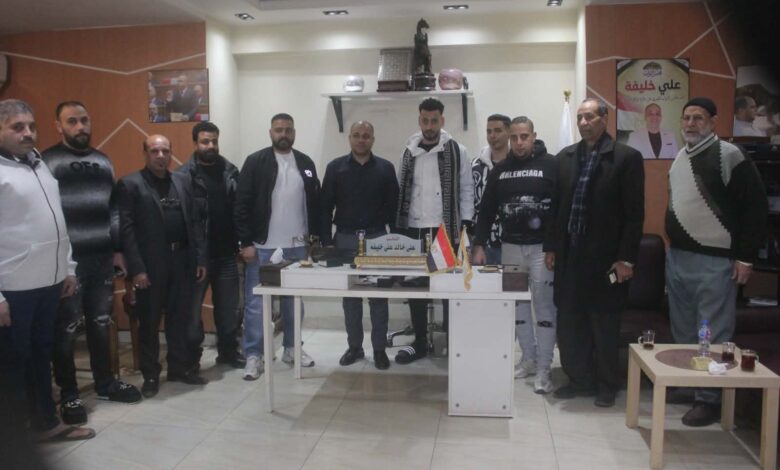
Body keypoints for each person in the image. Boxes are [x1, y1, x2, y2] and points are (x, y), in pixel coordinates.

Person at [666, 97, 767, 426]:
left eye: (698, 118)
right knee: (683, 330)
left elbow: (755, 207)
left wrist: (746, 257)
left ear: (713, 122)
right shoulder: (680, 156)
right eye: (686, 118)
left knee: (711, 332)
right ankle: (688, 384)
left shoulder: (729, 154)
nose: (691, 123)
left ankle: (709, 399)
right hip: (678, 258)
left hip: (715, 261)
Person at [0, 99, 95, 442]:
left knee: (41, 356)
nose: (28, 133)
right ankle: (13, 441)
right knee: (12, 365)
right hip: (13, 289)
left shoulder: (39, 164)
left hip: (49, 282)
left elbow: (57, 221)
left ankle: (45, 424)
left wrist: (67, 267)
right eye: (17, 127)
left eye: (31, 126)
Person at [42, 101, 142, 425]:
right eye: (72, 121)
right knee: (67, 328)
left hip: (101, 257)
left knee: (101, 322)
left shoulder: (102, 161)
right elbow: (45, 213)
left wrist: (117, 250)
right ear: (58, 126)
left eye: (84, 120)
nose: (80, 126)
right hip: (67, 262)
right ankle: (69, 394)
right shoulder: (47, 161)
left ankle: (106, 384)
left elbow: (113, 210)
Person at [547, 98, 645, 408]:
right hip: (570, 257)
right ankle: (580, 380)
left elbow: (634, 214)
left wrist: (626, 259)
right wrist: (551, 247)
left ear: (605, 118)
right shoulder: (565, 158)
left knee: (603, 325)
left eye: (589, 116)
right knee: (570, 323)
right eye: (580, 117)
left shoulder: (626, 158)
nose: (583, 123)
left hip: (606, 259)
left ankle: (607, 385)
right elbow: (556, 209)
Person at [118, 134, 208, 398]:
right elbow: (126, 231)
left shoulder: (182, 181)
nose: (160, 156)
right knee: (149, 322)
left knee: (179, 320)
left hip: (182, 260)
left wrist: (199, 259)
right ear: (145, 153)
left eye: (165, 151)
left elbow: (194, 222)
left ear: (171, 153)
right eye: (154, 151)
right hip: (150, 265)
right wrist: (137, 269)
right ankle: (150, 374)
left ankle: (178, 368)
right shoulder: (130, 184)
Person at [473, 116, 558, 394]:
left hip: (541, 250)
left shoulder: (551, 165)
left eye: (524, 137)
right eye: (514, 138)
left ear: (534, 136)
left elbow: (560, 209)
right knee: (517, 306)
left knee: (544, 308)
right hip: (510, 248)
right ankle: (528, 359)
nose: (519, 143)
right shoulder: (500, 170)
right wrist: (479, 244)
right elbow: (486, 210)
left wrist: (554, 246)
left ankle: (544, 367)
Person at [235, 113, 321, 380]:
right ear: (270, 132)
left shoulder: (305, 163)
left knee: (294, 302)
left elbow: (315, 201)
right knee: (255, 304)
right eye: (279, 130)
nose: (284, 134)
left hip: (297, 247)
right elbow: (241, 204)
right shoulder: (255, 162)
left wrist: (314, 240)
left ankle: (292, 348)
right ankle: (254, 354)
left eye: (288, 130)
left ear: (294, 133)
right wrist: (245, 243)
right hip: (262, 246)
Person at [395, 97, 474, 364]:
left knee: (447, 287)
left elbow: (466, 189)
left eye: (434, 121)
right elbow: (402, 188)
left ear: (442, 120)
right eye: (425, 120)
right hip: (413, 229)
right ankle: (419, 341)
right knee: (415, 287)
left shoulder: (457, 150)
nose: (429, 126)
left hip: (445, 230)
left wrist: (466, 224)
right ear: (420, 120)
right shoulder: (408, 151)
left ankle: (451, 341)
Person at [320, 121, 399, 370]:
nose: (361, 139)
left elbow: (394, 207)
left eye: (366, 136)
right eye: (356, 135)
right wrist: (326, 242)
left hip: (377, 240)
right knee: (350, 297)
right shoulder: (335, 168)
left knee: (379, 297)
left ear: (372, 139)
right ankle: (354, 347)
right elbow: (325, 207)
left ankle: (379, 349)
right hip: (345, 238)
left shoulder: (386, 169)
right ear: (350, 139)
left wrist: (396, 242)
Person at [176, 122, 244, 369]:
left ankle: (228, 352)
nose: (211, 146)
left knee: (228, 310)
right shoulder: (183, 176)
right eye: (205, 141)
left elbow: (240, 210)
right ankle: (191, 359)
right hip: (199, 259)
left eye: (214, 141)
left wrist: (242, 242)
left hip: (227, 254)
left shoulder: (230, 171)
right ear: (195, 143)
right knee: (192, 312)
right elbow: (185, 220)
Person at [471, 114, 510, 265]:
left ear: (509, 132)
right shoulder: (475, 166)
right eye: (489, 131)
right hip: (481, 244)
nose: (492, 136)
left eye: (498, 131)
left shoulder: (516, 166)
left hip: (511, 244)